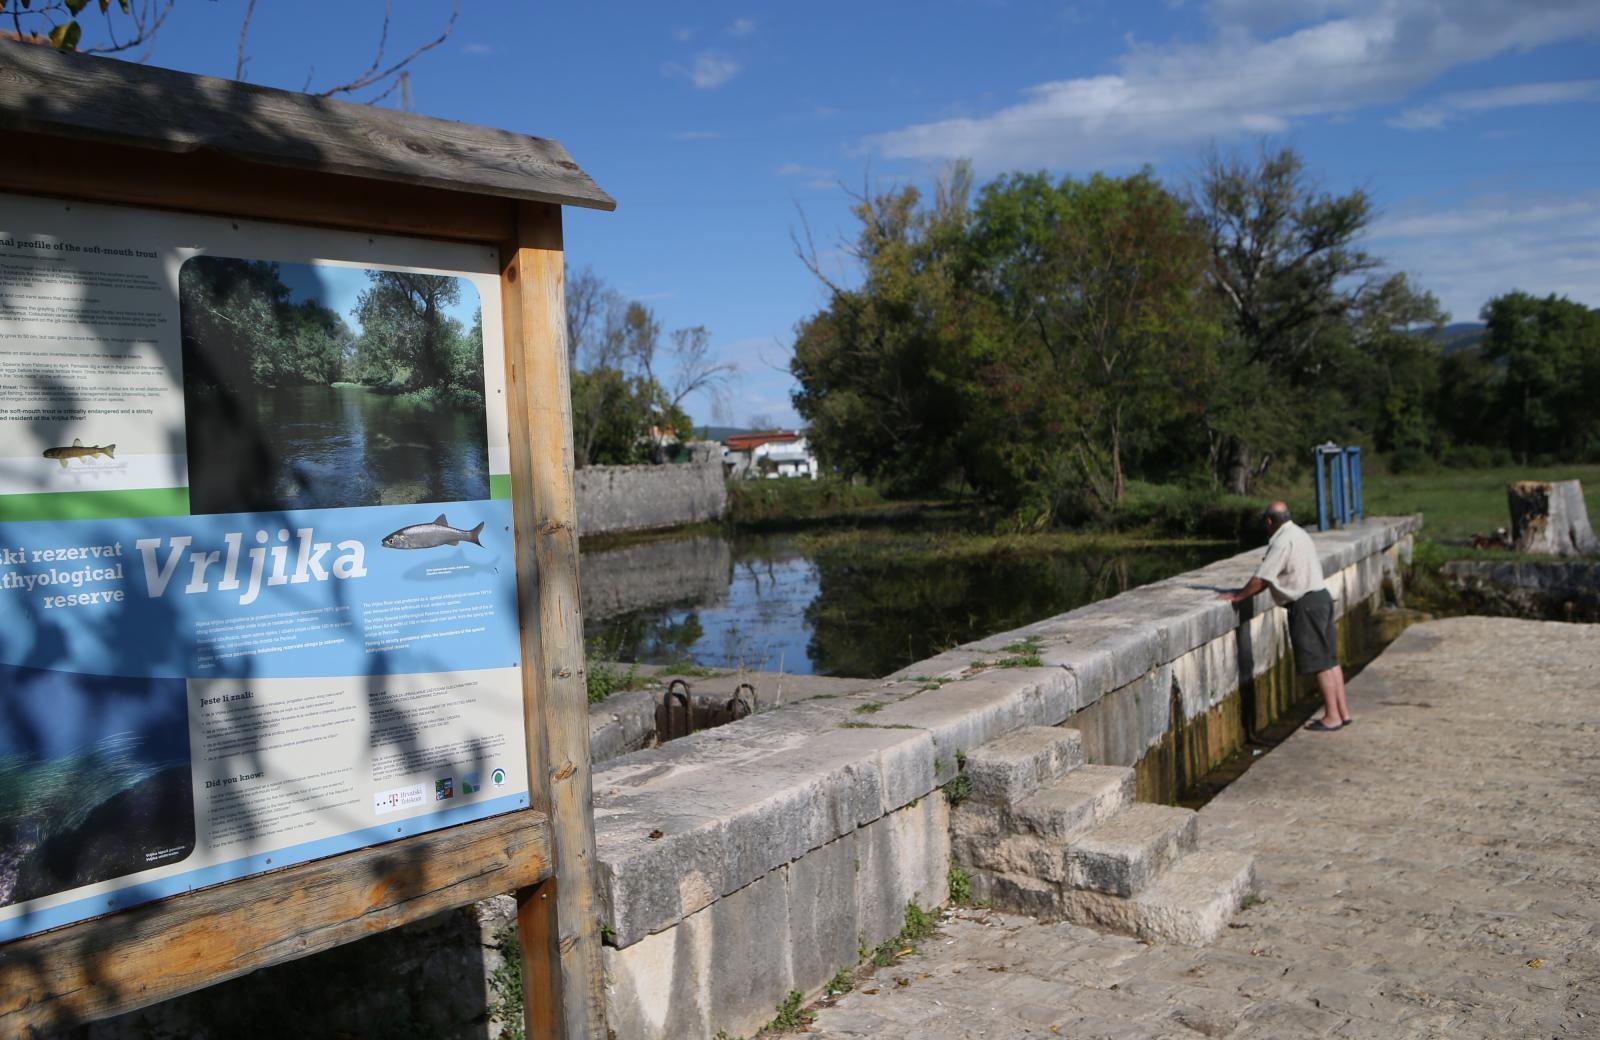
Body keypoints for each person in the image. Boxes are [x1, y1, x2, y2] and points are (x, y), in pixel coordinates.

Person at [1217, 501, 1350, 731]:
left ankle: (1332, 717)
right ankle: (1342, 712)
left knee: (1319, 663)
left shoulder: (1281, 541)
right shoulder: (1299, 533)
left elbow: (1263, 578)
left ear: (1269, 521)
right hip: (1321, 598)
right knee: (1330, 660)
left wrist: (1239, 595)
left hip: (1306, 605)